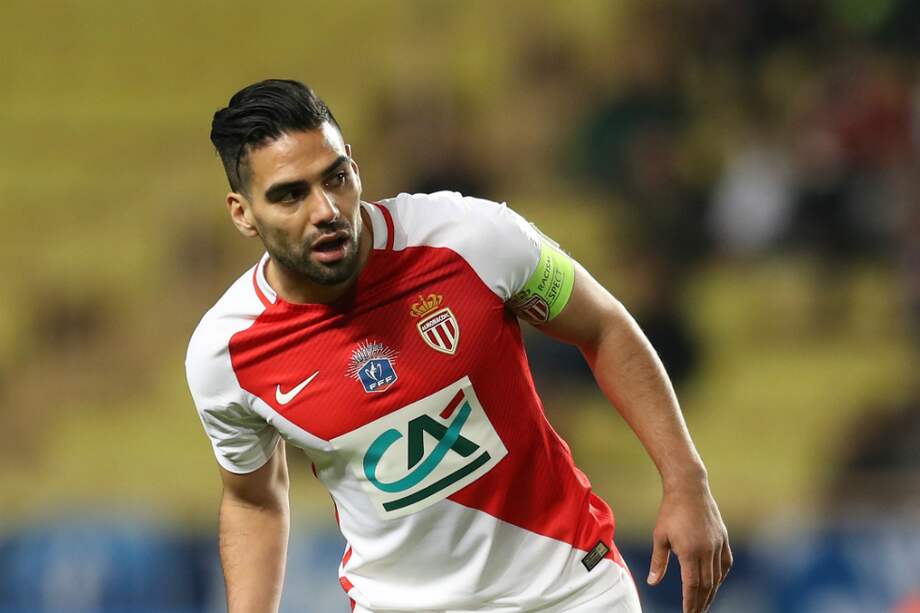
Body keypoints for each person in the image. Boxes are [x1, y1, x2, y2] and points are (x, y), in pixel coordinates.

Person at [185, 79, 731, 613]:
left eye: (336, 178)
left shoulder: (469, 237)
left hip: (567, 588)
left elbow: (603, 327)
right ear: (242, 213)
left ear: (354, 164)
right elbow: (252, 498)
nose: (325, 209)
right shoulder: (226, 354)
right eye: (290, 195)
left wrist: (686, 481)